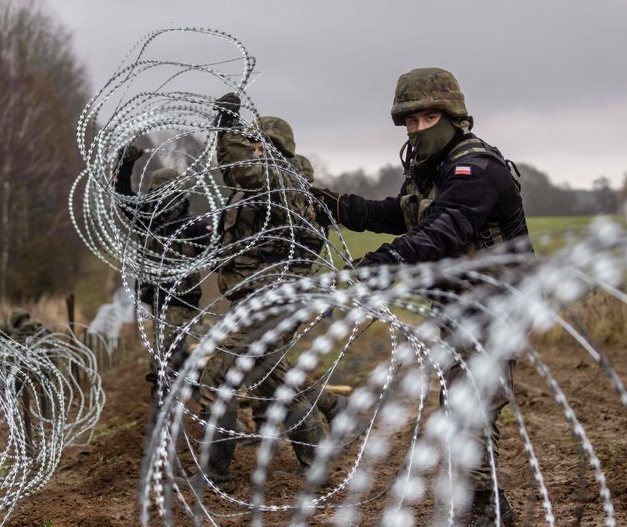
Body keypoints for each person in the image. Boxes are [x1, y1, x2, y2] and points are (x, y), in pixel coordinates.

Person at [312, 67, 531, 525]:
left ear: (452, 116)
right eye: (409, 122)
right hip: (459, 306)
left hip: (496, 307)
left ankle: (479, 510)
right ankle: (489, 508)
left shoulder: (476, 169)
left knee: (470, 410)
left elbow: (444, 230)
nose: (416, 129)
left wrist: (379, 264)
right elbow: (401, 213)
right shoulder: (433, 173)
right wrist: (336, 205)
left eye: (427, 118)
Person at [181, 95, 342, 493]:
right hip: (257, 297)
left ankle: (214, 474)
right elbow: (236, 243)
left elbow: (238, 170)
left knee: (216, 377)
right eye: (250, 145)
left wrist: (225, 126)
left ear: (278, 151)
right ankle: (317, 461)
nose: (253, 152)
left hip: (273, 299)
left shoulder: (282, 180)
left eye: (259, 146)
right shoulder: (258, 189)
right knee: (273, 382)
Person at [114, 146, 212, 433]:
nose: (160, 199)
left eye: (162, 192)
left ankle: (175, 420)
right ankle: (195, 409)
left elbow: (215, 246)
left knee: (167, 363)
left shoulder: (188, 224)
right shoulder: (151, 219)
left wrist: (125, 165)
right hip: (162, 301)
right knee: (171, 360)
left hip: (180, 302)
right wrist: (125, 163)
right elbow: (124, 199)